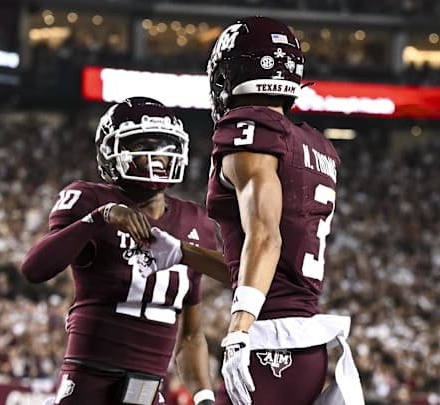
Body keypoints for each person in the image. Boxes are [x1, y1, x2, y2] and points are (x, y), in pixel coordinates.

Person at [144, 17, 364, 405]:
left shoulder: (249, 128)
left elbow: (265, 237)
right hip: (303, 350)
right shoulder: (314, 144)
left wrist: (240, 330)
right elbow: (258, 265)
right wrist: (184, 253)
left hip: (269, 345)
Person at [20, 97, 216, 405]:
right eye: (145, 145)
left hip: (148, 390)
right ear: (113, 151)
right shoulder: (89, 198)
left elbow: (190, 332)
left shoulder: (196, 221)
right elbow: (34, 268)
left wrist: (204, 396)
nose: (159, 156)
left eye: (165, 146)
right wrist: (100, 217)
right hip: (89, 382)